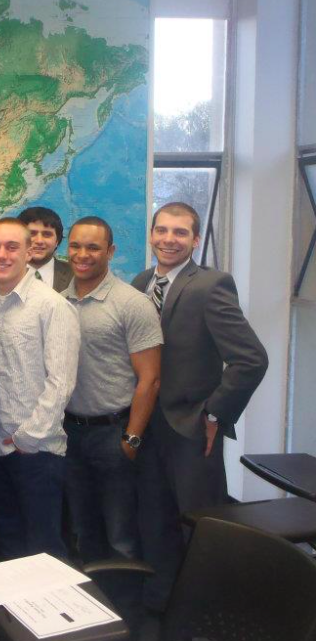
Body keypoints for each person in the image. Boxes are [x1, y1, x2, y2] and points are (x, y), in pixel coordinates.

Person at [131, 202, 268, 612]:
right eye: (162, 230)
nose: (169, 239)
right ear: (152, 235)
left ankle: (208, 611)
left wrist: (215, 414)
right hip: (146, 425)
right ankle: (162, 605)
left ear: (194, 239)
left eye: (179, 232)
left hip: (191, 428)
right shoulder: (140, 282)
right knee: (154, 522)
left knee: (199, 524)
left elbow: (251, 359)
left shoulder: (211, 285)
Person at [62, 217, 162, 621]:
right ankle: (95, 621)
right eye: (76, 246)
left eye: (93, 248)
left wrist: (132, 439)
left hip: (115, 434)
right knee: (84, 535)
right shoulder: (58, 300)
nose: (83, 255)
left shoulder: (131, 304)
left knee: (121, 538)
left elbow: (150, 379)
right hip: (70, 434)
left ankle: (130, 624)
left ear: (110, 252)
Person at [0, 218, 80, 560]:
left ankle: (56, 614)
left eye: (11, 247)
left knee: (45, 551)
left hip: (36, 452)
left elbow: (61, 382)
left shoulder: (51, 305)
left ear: (28, 253)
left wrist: (28, 436)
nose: (1, 255)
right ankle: (11, 616)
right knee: (8, 545)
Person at [17, 206, 72, 292]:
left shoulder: (74, 275)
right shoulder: (2, 272)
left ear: (57, 241)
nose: (39, 241)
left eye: (47, 234)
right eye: (32, 233)